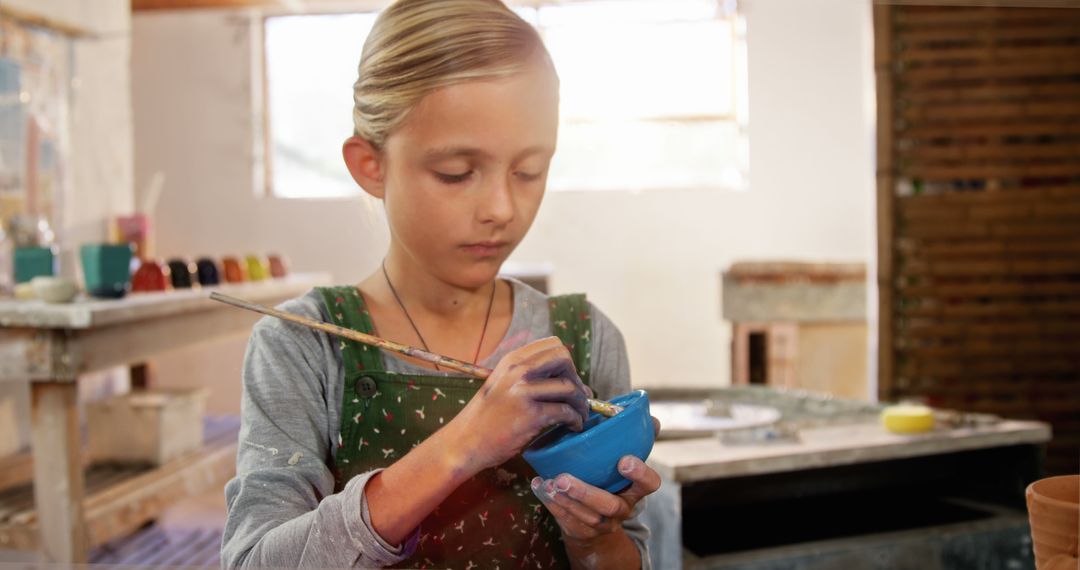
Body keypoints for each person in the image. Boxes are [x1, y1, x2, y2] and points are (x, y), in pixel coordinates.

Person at [221, 0, 661, 567]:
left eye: (529, 171)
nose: (502, 208)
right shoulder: (305, 347)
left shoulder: (584, 340)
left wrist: (594, 536)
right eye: (456, 173)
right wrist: (463, 444)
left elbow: (631, 556)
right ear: (370, 165)